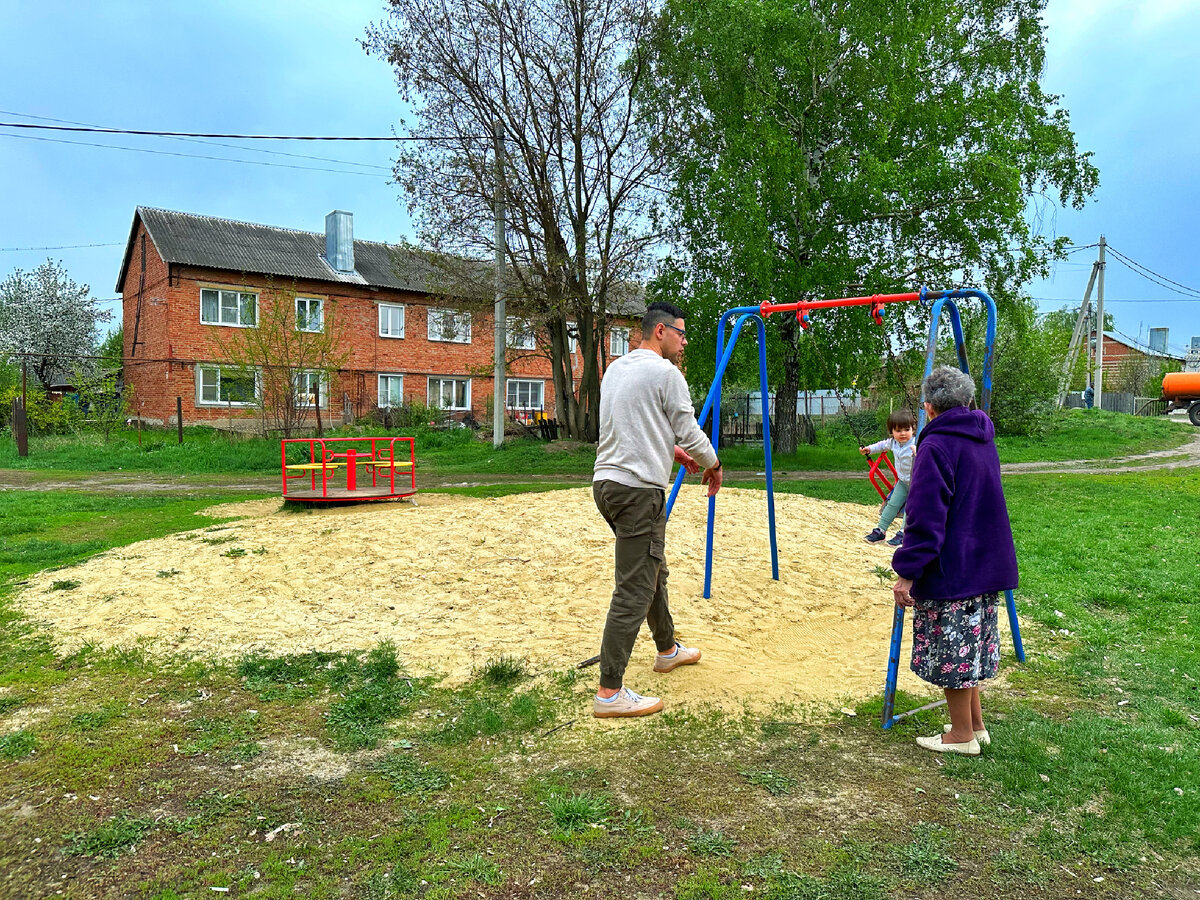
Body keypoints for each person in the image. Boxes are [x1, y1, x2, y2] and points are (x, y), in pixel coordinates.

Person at [592, 300, 722, 718]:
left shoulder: (617, 369)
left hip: (607, 485)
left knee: (650, 569)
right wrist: (713, 464)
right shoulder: (666, 374)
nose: (685, 343)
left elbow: (631, 427)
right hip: (637, 493)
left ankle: (666, 648)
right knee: (633, 587)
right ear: (661, 332)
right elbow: (690, 428)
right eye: (682, 334)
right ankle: (609, 692)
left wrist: (673, 452)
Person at [891, 367, 1018, 756]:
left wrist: (907, 572)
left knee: (953, 650)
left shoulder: (936, 446)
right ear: (965, 402)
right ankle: (975, 726)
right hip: (985, 559)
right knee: (969, 647)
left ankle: (961, 736)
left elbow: (926, 516)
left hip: (955, 565)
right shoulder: (981, 435)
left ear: (929, 408)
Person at [860, 409, 917, 548]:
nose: (903, 433)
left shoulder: (916, 442)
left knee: (910, 508)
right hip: (903, 482)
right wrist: (869, 449)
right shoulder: (893, 443)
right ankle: (880, 530)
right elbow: (881, 445)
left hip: (918, 483)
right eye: (898, 431)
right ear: (892, 432)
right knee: (891, 504)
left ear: (913, 429)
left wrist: (919, 451)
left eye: (906, 429)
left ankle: (904, 534)